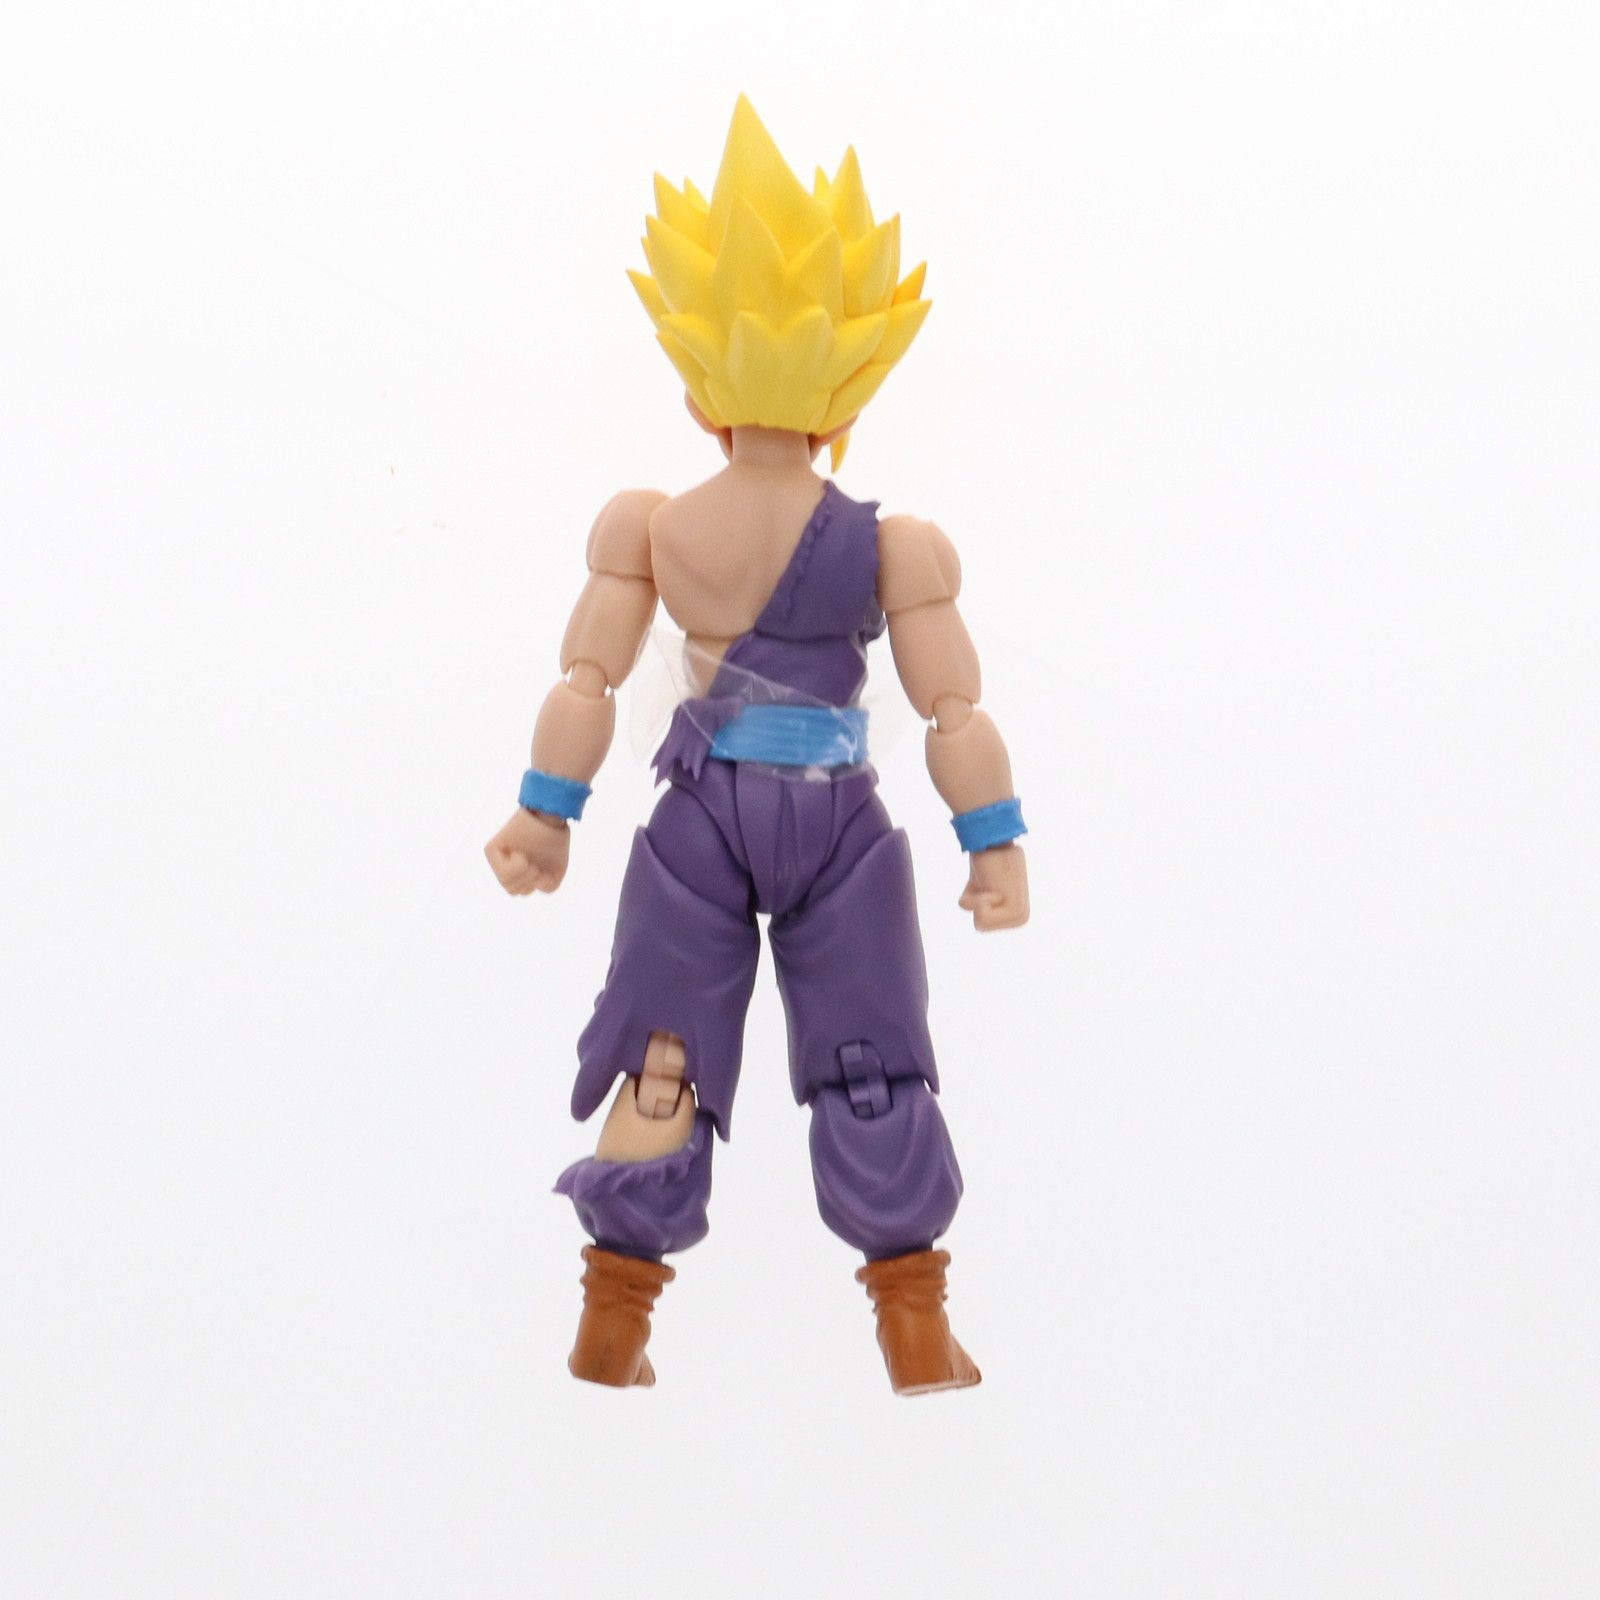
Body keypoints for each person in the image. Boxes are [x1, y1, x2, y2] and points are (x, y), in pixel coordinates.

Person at [485, 97, 1029, 1395]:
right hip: (837, 819)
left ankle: (614, 1323)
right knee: (869, 1061)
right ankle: (912, 1327)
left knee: (663, 1058)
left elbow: (585, 677)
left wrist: (544, 813)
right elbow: (954, 710)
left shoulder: (655, 526)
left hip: (705, 817)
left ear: (694, 383)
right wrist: (994, 843)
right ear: (854, 382)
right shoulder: (896, 545)